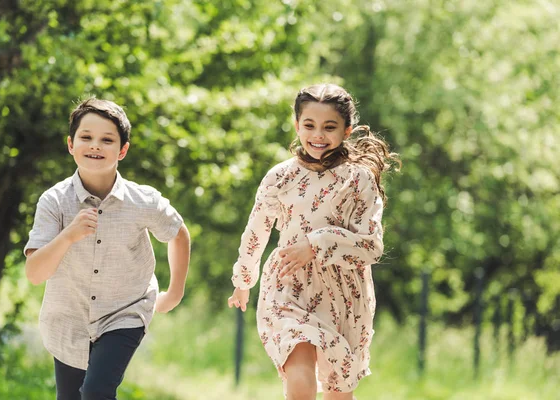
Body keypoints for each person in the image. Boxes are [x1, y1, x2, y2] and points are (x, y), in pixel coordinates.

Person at [228, 83, 399, 400]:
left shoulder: (358, 179)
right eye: (309, 125)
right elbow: (257, 229)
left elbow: (371, 245)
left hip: (343, 293)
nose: (318, 135)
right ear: (297, 125)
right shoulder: (279, 176)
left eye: (329, 127)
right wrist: (244, 278)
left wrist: (318, 243)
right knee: (298, 372)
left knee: (338, 390)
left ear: (346, 130)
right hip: (288, 285)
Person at [24, 98, 190, 400]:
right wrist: (68, 236)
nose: (95, 146)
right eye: (86, 137)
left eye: (106, 140)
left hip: (125, 311)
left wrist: (174, 292)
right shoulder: (54, 202)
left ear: (122, 150)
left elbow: (179, 234)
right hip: (68, 319)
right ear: (71, 144)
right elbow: (35, 274)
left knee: (97, 391)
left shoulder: (142, 200)